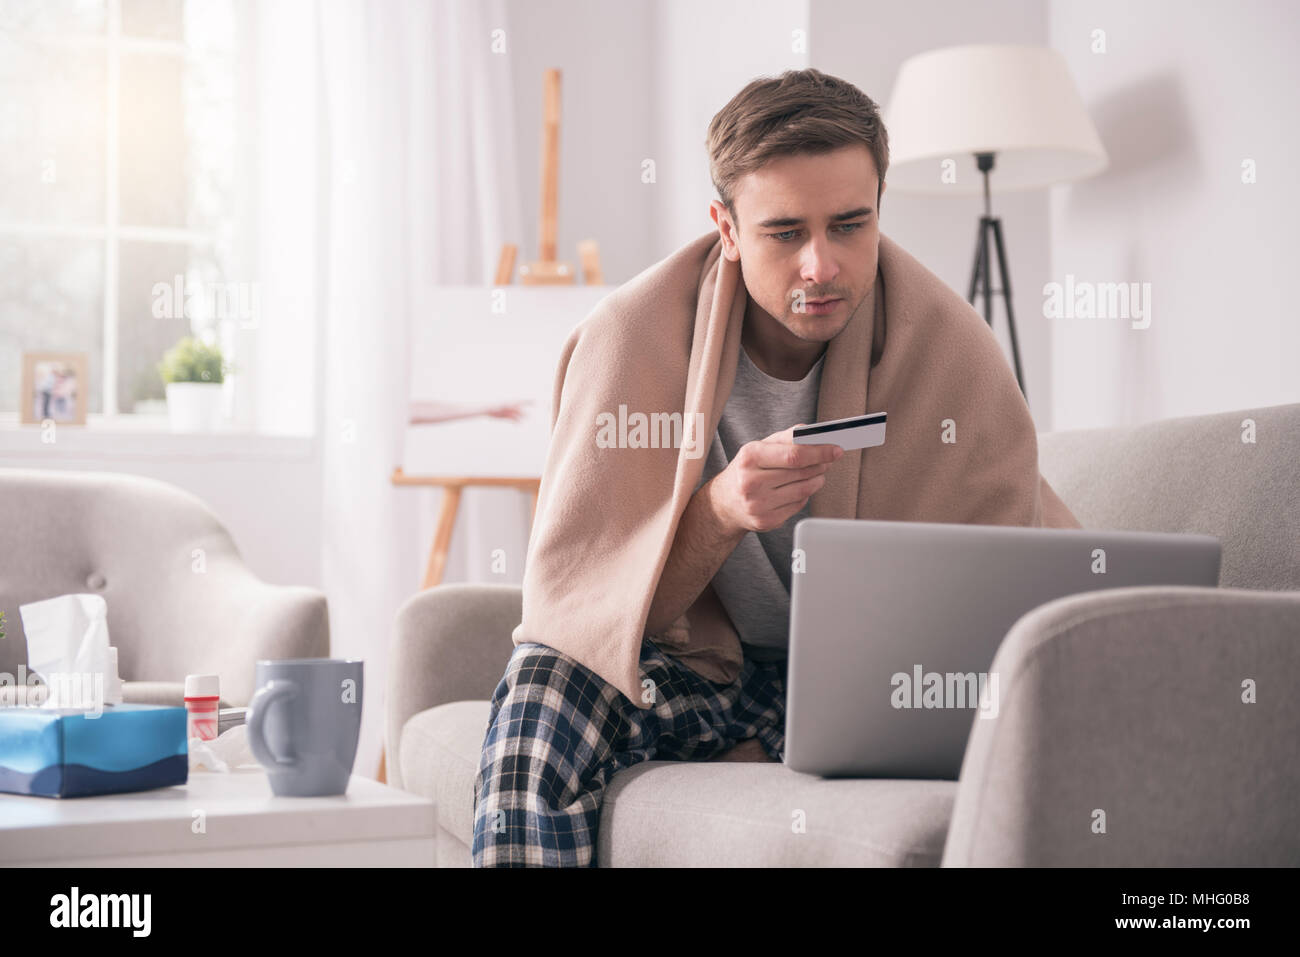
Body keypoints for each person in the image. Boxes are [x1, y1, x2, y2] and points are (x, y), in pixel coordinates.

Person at [471, 68, 1075, 867]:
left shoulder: (955, 352)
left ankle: (764, 753)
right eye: (785, 232)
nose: (821, 265)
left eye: (850, 226)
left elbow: (994, 604)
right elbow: (593, 619)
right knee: (542, 686)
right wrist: (718, 512)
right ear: (726, 227)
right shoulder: (628, 343)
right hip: (703, 672)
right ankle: (747, 750)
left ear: (880, 210)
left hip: (873, 693)